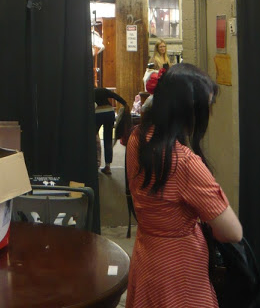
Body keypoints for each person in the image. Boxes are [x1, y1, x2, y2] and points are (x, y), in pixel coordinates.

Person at [126, 63, 242, 308]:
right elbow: (233, 232)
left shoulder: (138, 138)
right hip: (180, 269)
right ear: (189, 112)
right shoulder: (185, 162)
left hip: (147, 255)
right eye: (206, 107)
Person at [94, 87, 128, 175]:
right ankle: (107, 166)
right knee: (108, 139)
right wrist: (125, 104)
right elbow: (115, 96)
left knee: (93, 138)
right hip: (109, 112)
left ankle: (95, 164)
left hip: (98, 114)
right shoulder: (103, 90)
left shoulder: (90, 92)